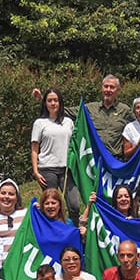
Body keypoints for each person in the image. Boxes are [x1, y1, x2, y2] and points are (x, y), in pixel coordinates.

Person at [35, 75, 132, 158]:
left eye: (112, 87)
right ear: (102, 88)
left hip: (114, 160)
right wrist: (42, 99)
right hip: (94, 159)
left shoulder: (125, 110)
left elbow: (138, 127)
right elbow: (66, 111)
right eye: (106, 86)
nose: (108, 90)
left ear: (118, 90)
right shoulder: (90, 108)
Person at [30, 88, 79, 221]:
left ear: (60, 102)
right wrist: (35, 171)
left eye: (55, 100)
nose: (53, 103)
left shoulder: (68, 122)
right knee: (51, 206)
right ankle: (53, 232)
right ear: (45, 103)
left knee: (74, 205)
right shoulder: (39, 123)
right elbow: (34, 149)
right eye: (49, 100)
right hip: (47, 168)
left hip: (67, 169)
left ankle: (75, 233)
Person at [0, 179, 27, 253]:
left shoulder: (26, 214)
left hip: (21, 262)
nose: (6, 196)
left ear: (17, 198)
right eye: (3, 193)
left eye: (11, 194)